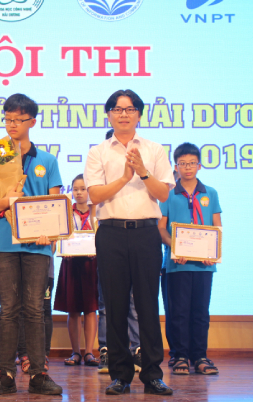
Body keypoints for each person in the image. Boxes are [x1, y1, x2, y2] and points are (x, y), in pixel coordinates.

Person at [84, 89, 175, 396]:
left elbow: (163, 194)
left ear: (139, 114)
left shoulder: (154, 149)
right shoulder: (98, 151)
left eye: (130, 108)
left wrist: (143, 172)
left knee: (148, 304)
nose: (123, 114)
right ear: (109, 114)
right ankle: (120, 374)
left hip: (146, 233)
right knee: (115, 304)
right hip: (110, 233)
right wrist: (124, 177)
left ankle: (152, 374)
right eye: (117, 108)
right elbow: (95, 195)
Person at [0, 93, 63, 396]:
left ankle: (38, 373)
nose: (12, 124)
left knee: (35, 309)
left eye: (18, 119)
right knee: (9, 309)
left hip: (38, 245)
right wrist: (6, 201)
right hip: (4, 244)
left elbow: (55, 206)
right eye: (8, 118)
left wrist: (50, 234)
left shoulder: (47, 160)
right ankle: (5, 375)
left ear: (32, 122)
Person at [158, 142, 221, 376]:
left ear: (199, 165)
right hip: (177, 264)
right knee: (178, 312)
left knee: (201, 312)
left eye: (192, 163)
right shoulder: (167, 193)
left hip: (204, 266)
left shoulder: (210, 193)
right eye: (182, 163)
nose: (187, 167)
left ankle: (200, 356)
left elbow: (217, 227)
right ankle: (180, 356)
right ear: (176, 166)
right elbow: (160, 228)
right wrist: (175, 247)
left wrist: (213, 253)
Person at [97, 129, 142, 375]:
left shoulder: (144, 159)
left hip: (138, 237)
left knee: (135, 303)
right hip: (108, 238)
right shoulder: (97, 162)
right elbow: (94, 201)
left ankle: (137, 350)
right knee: (108, 304)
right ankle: (109, 352)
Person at [54, 174, 99, 367]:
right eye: (75, 189)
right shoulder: (65, 212)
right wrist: (63, 250)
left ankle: (89, 352)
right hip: (70, 264)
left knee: (90, 309)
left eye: (83, 189)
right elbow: (59, 235)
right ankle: (75, 352)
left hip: (91, 264)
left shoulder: (97, 212)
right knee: (72, 310)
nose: (79, 193)